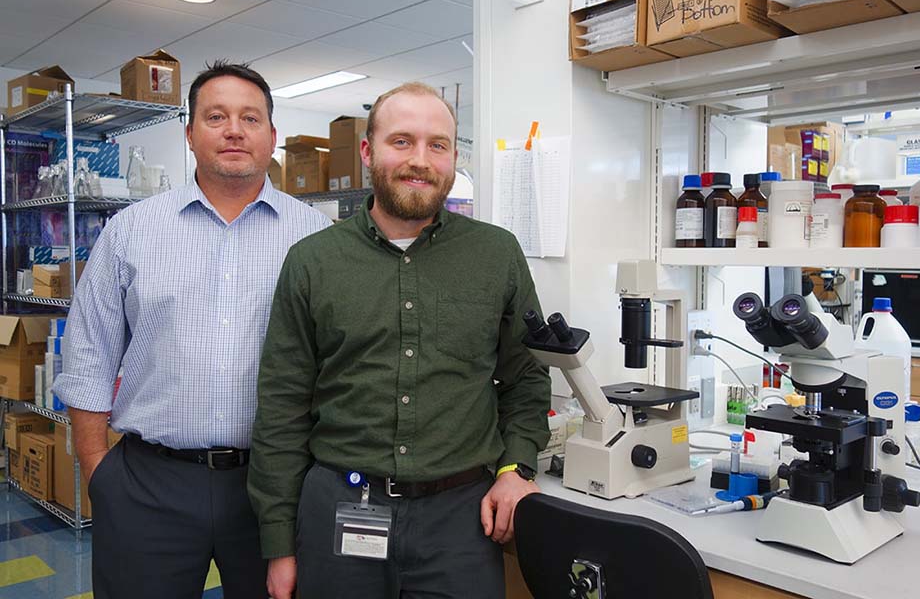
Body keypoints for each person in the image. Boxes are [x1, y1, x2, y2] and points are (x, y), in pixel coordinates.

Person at [248, 81, 552, 599]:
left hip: (460, 522)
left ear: (453, 158)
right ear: (368, 152)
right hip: (340, 510)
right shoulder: (312, 261)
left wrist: (515, 468)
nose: (420, 160)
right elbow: (282, 408)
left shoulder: (496, 254)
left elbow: (526, 377)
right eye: (402, 141)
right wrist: (279, 544)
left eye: (438, 145)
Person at [53, 60, 332, 599]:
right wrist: (99, 472)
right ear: (189, 133)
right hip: (149, 485)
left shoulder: (316, 238)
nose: (234, 130)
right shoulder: (130, 232)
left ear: (272, 135)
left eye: (250, 118)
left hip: (277, 486)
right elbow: (88, 356)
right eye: (216, 116)